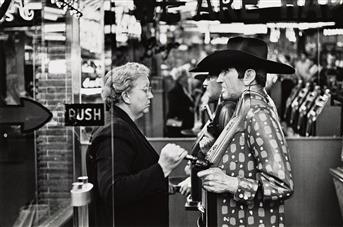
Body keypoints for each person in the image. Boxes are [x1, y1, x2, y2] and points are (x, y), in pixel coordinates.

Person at [191, 36, 295, 226]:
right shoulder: (244, 107)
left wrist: (231, 184)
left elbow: (282, 185)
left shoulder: (258, 113)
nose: (220, 78)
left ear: (248, 76)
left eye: (225, 71)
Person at [86, 62, 188, 227]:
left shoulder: (122, 125)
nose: (151, 95)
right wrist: (162, 168)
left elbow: (133, 172)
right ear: (126, 96)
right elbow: (113, 190)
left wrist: (161, 184)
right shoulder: (115, 130)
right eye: (145, 89)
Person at [166, 68, 195, 137]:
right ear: (180, 78)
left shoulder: (185, 89)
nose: (187, 77)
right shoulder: (174, 92)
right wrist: (188, 109)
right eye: (185, 76)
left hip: (185, 125)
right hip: (178, 127)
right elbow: (173, 110)